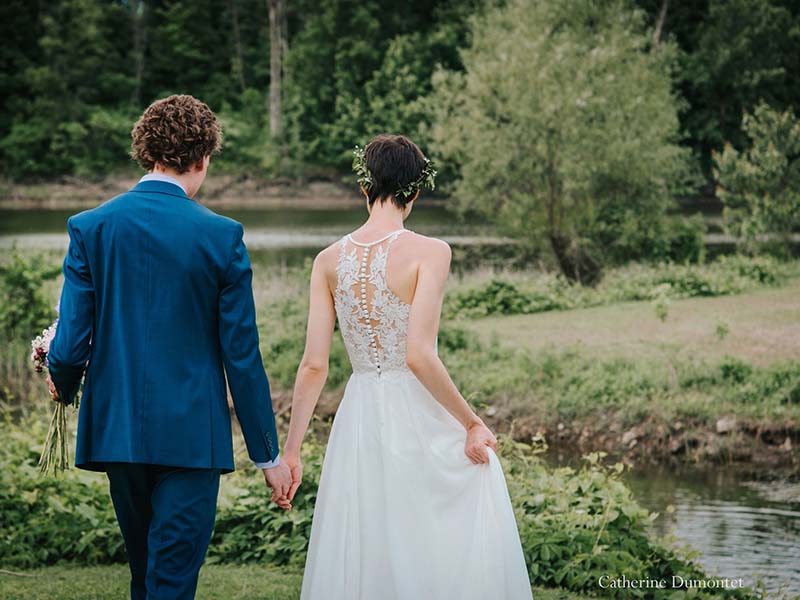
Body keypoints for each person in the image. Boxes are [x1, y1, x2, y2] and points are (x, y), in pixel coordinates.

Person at [45, 94, 292, 600]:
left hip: (119, 435)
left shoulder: (90, 227)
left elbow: (70, 345)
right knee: (171, 583)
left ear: (146, 153)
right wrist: (268, 457)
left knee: (146, 579)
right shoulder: (221, 236)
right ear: (203, 158)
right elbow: (241, 357)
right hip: (190, 438)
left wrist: (63, 385)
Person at [283, 134, 533, 600]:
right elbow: (419, 355)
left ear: (365, 186)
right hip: (414, 410)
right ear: (415, 191)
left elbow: (314, 365)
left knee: (368, 532)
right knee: (437, 517)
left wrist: (291, 451)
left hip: (359, 413)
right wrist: (472, 422)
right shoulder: (431, 252)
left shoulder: (327, 261)